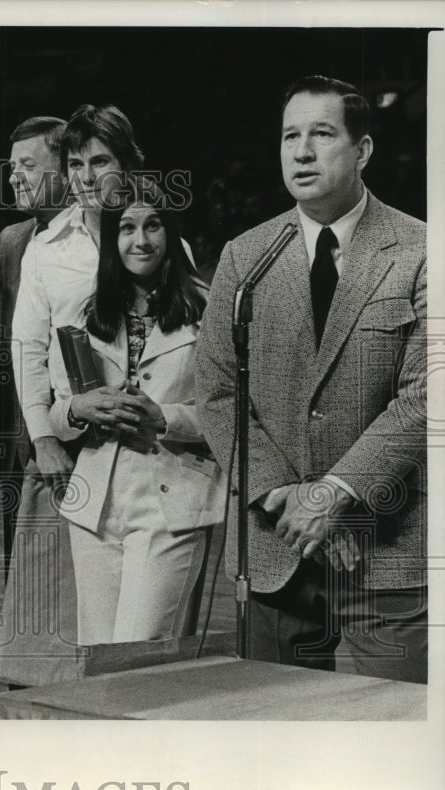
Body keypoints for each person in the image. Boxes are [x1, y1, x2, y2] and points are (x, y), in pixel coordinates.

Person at [195, 76, 427, 683]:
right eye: (289, 136)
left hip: (388, 549)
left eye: (321, 134)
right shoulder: (245, 257)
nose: (301, 152)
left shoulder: (423, 250)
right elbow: (218, 393)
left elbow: (426, 396)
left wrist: (335, 494)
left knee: (397, 739)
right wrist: (287, 496)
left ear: (363, 150)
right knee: (275, 746)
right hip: (277, 548)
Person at [51, 178, 224, 644]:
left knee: (138, 655)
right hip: (95, 504)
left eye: (153, 226)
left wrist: (165, 418)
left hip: (172, 501)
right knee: (96, 659)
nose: (140, 240)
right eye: (126, 228)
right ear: (112, 238)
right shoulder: (85, 311)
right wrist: (77, 408)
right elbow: (57, 415)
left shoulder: (209, 309)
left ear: (170, 232)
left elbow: (235, 414)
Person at [11, 104, 146, 495]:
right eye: (74, 164)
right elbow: (28, 350)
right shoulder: (45, 249)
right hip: (72, 443)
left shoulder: (161, 243)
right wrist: (43, 439)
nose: (86, 178)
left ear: (126, 166)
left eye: (100, 161)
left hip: (148, 443)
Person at [0, 115, 69, 575]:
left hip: (82, 438)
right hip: (21, 440)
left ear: (66, 169)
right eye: (11, 167)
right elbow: (14, 343)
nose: (14, 177)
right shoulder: (11, 241)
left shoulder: (108, 235)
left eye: (28, 164)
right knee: (22, 584)